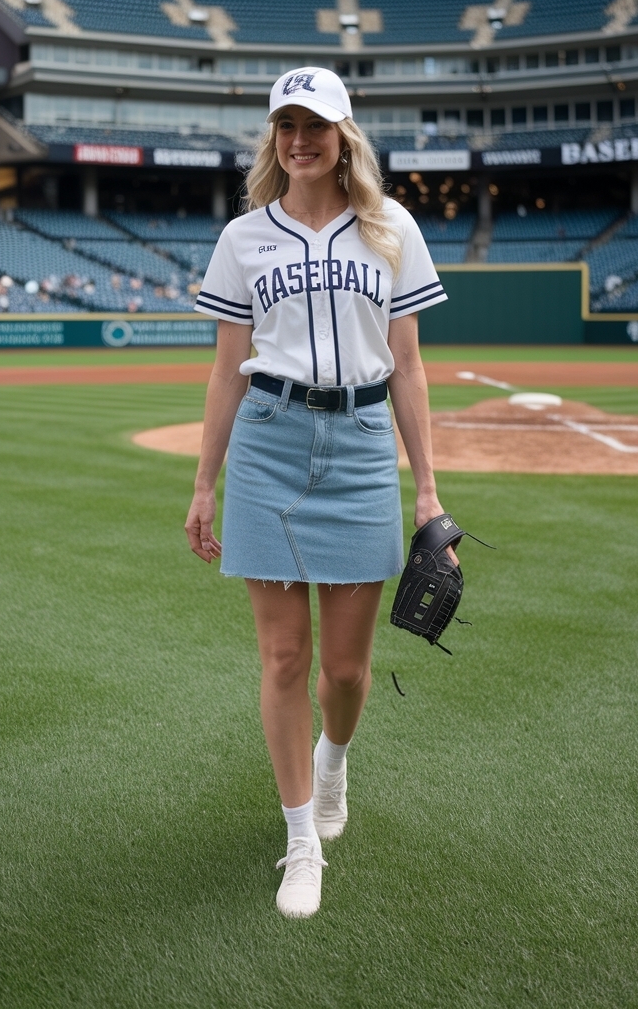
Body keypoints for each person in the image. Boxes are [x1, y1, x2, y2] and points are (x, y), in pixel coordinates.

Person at [185, 67, 450, 919]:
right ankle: (301, 843)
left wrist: (427, 493)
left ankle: (333, 765)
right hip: (269, 442)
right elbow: (228, 369)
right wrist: (204, 482)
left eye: (317, 125)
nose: (301, 140)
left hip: (365, 446)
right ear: (274, 137)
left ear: (344, 136)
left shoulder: (390, 227)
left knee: (345, 668)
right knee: (283, 658)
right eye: (287, 125)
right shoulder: (242, 238)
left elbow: (407, 364)